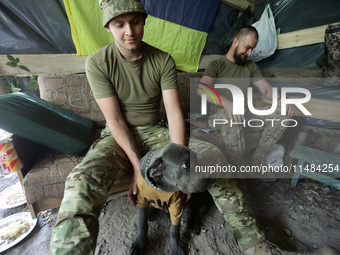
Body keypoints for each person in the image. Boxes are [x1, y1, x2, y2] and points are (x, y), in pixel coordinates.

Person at [48, 0, 225, 254]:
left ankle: (253, 241)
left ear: (144, 22)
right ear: (108, 27)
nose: (129, 31)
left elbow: (174, 112)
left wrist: (180, 162)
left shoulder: (163, 60)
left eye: (134, 22)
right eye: (119, 24)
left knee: (212, 158)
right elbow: (116, 120)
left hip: (156, 130)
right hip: (117, 136)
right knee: (80, 182)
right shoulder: (97, 63)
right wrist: (137, 167)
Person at [198, 25, 294, 171]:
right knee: (231, 116)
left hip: (245, 113)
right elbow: (202, 89)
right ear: (235, 41)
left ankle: (257, 162)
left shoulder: (250, 66)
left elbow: (266, 89)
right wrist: (227, 103)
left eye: (252, 49)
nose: (249, 53)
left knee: (283, 114)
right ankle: (239, 171)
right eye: (247, 47)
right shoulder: (217, 64)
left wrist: (281, 100)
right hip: (219, 116)